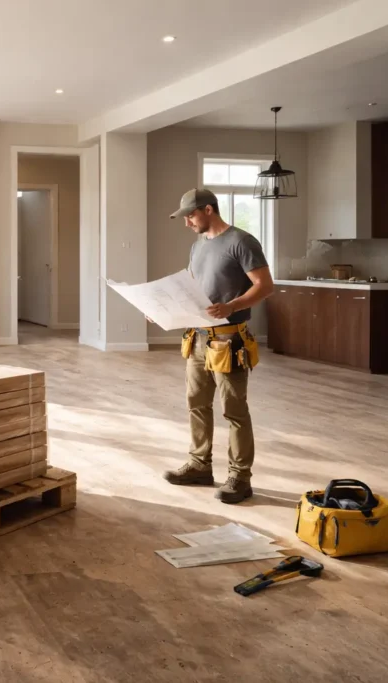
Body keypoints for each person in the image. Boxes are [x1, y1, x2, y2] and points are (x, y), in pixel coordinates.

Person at [161, 188, 274, 504]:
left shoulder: (242, 242)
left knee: (234, 410)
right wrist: (163, 308)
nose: (187, 223)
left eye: (191, 215)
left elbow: (265, 286)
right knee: (196, 403)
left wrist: (232, 305)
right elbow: (193, 288)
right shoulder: (198, 246)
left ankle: (240, 477)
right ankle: (199, 465)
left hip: (229, 339)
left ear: (208, 209)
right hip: (197, 338)